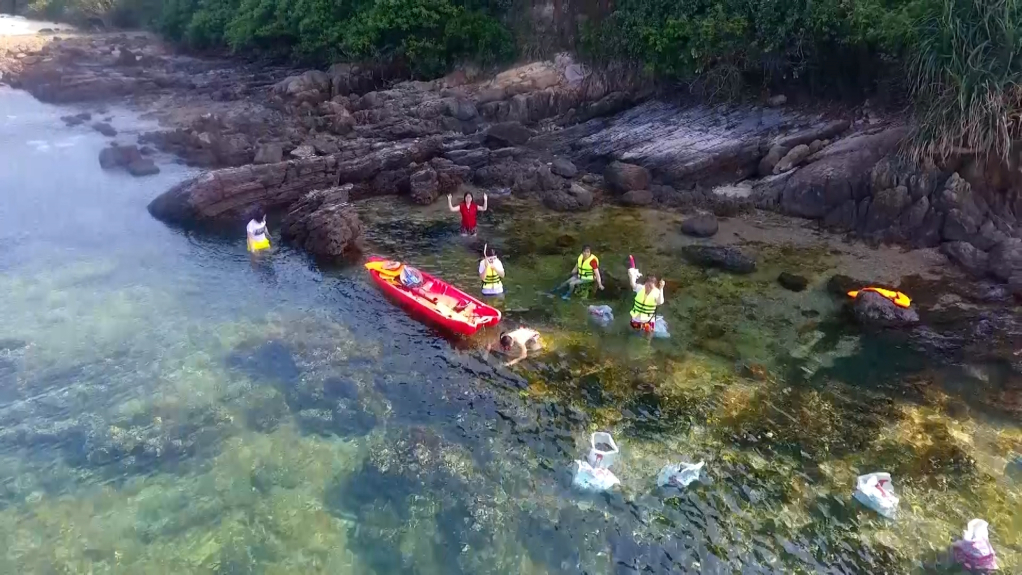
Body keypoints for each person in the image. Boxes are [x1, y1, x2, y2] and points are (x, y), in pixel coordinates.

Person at [628, 268, 665, 333]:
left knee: (648, 336)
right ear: (645, 284)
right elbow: (633, 285)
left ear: (655, 286)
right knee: (633, 334)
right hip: (636, 319)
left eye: (650, 287)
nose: (648, 288)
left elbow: (660, 302)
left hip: (648, 320)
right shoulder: (640, 288)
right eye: (647, 285)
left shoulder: (657, 292)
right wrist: (631, 275)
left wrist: (661, 288)